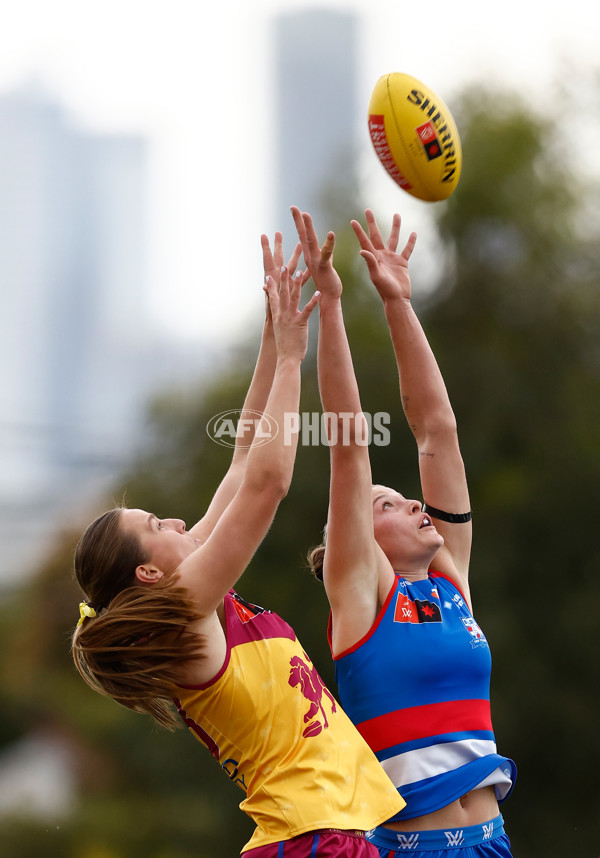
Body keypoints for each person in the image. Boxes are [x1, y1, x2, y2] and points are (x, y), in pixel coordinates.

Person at [71, 231, 406, 858]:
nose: (175, 522)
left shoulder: (190, 593)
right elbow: (267, 483)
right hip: (310, 839)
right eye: (156, 526)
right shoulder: (185, 612)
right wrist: (288, 361)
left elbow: (244, 458)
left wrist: (274, 334)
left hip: (325, 835)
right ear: (147, 573)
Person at [292, 206, 516, 858]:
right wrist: (331, 306)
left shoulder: (449, 584)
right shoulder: (362, 601)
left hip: (493, 840)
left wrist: (397, 302)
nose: (418, 503)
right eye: (388, 504)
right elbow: (349, 447)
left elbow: (436, 431)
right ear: (355, 541)